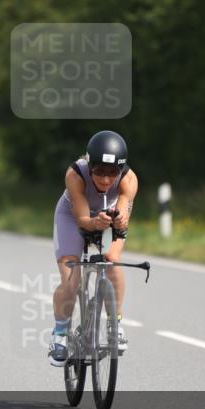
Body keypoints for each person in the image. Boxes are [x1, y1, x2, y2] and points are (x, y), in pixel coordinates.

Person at [49, 130, 139, 367]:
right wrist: (94, 222)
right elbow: (82, 219)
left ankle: (115, 324)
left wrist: (119, 219)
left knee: (111, 259)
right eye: (100, 171)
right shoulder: (75, 174)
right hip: (72, 217)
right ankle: (59, 335)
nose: (107, 179)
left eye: (113, 173)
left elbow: (123, 210)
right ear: (90, 165)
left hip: (107, 217)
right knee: (72, 279)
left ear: (121, 170)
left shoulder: (129, 179)